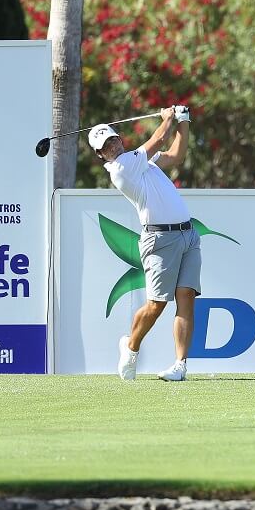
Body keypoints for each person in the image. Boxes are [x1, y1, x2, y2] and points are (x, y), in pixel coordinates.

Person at [88, 105, 198, 381]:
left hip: (187, 235)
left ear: (119, 139)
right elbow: (159, 139)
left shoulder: (142, 163)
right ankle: (131, 346)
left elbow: (176, 155)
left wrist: (183, 121)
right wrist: (168, 118)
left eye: (113, 140)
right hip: (159, 240)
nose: (111, 146)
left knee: (186, 297)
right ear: (100, 154)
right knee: (156, 304)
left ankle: (180, 365)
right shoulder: (121, 169)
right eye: (105, 146)